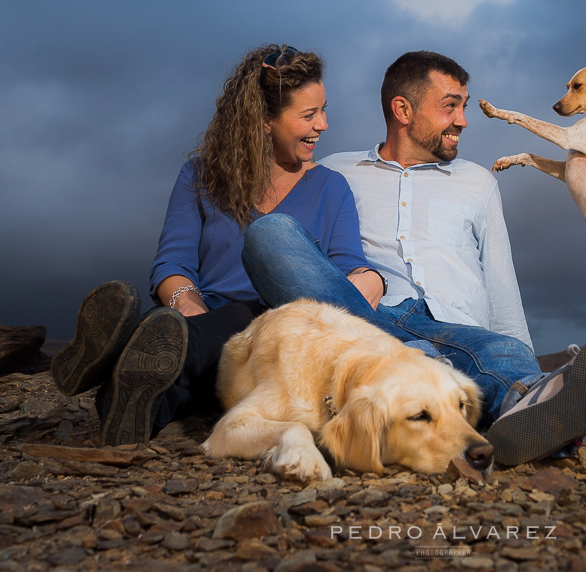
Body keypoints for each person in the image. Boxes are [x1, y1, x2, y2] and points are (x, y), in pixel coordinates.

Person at [241, 51, 586, 466]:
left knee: (501, 350)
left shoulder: (477, 181)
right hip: (366, 321)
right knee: (269, 234)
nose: (463, 120)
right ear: (403, 110)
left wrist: (522, 351)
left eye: (464, 106)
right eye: (451, 107)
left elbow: (500, 284)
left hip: (459, 333)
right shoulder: (336, 170)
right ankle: (457, 388)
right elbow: (298, 256)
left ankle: (533, 402)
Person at [50, 45, 385, 445]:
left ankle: (114, 354)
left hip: (273, 335)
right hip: (200, 321)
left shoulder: (331, 187)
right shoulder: (200, 175)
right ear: (264, 121)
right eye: (309, 115)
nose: (324, 125)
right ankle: (127, 407)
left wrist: (369, 282)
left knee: (226, 327)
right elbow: (172, 263)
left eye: (324, 110)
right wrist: (188, 310)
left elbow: (349, 264)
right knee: (175, 366)